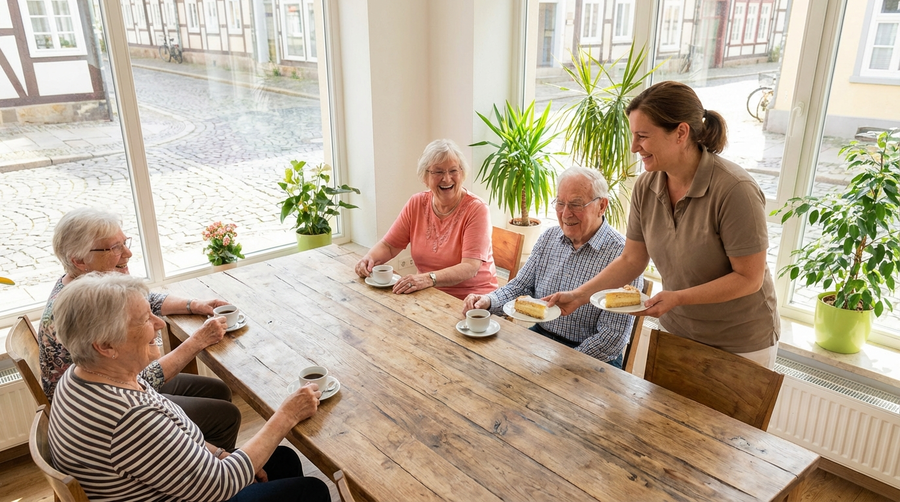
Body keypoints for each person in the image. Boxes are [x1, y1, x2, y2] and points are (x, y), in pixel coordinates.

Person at [548, 81, 779, 368]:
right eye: (633, 136)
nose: (634, 147)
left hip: (739, 343)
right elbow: (632, 260)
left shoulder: (735, 189)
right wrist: (580, 295)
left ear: (681, 133)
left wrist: (677, 297)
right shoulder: (646, 186)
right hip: (676, 332)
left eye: (642, 136)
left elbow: (749, 278)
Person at [48, 273, 331, 502]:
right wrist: (287, 415)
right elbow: (221, 484)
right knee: (312, 490)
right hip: (200, 492)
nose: (159, 323)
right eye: (146, 319)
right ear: (106, 345)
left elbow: (150, 384)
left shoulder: (80, 376)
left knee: (281, 459)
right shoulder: (129, 418)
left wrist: (220, 453)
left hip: (166, 485)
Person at [39, 207, 242, 449]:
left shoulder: (82, 286)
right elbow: (140, 378)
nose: (128, 253)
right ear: (79, 260)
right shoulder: (77, 309)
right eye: (114, 248)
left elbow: (145, 301)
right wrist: (197, 341)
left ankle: (203, 456)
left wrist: (194, 304)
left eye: (124, 242)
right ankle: (208, 472)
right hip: (103, 408)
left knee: (217, 390)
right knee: (225, 416)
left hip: (114, 382)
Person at [462, 167, 640, 368]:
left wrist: (562, 363)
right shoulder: (549, 238)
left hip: (593, 358)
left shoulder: (625, 257)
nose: (565, 213)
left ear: (602, 206)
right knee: (484, 369)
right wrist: (487, 300)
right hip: (541, 339)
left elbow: (611, 338)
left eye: (576, 204)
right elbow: (520, 287)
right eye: (560, 203)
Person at [354, 139, 499, 299]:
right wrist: (369, 259)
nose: (447, 178)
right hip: (428, 295)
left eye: (453, 171)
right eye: (438, 172)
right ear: (425, 177)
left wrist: (428, 278)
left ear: (462, 173)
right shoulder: (416, 203)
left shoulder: (477, 209)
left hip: (473, 303)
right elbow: (389, 245)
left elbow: (470, 267)